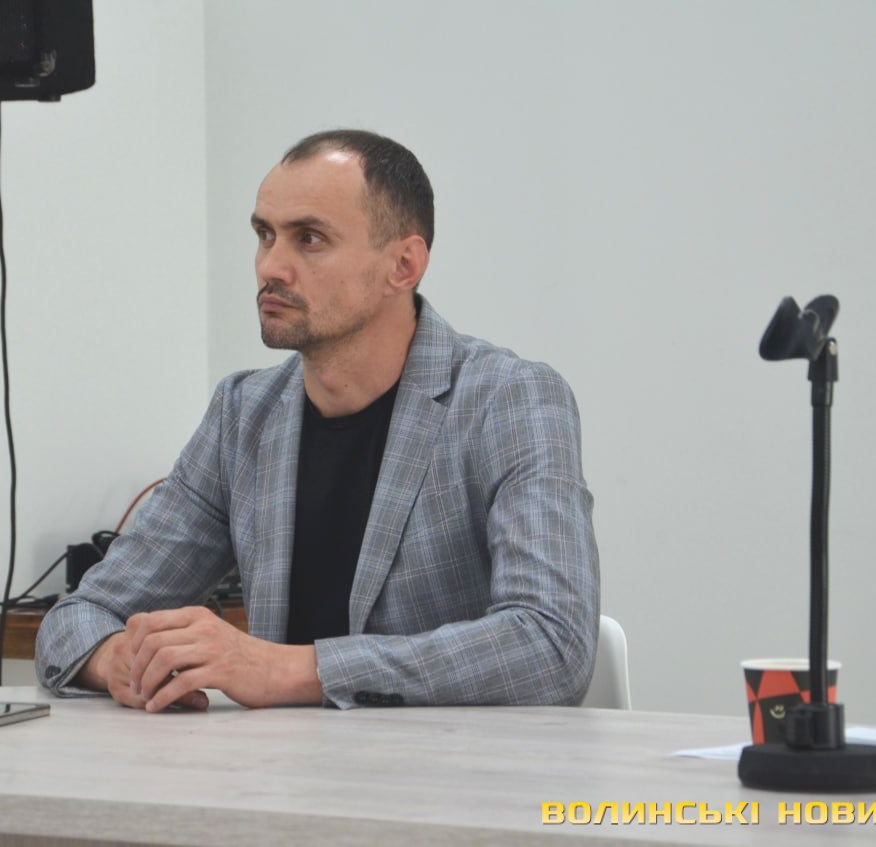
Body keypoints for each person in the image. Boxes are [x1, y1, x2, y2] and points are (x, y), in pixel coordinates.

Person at [35, 129, 599, 711]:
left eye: (310, 239)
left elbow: (552, 644)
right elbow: (78, 618)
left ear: (403, 265)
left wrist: (294, 670)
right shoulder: (242, 415)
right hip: (287, 764)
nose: (271, 267)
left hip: (460, 765)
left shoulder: (510, 400)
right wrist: (120, 661)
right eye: (264, 235)